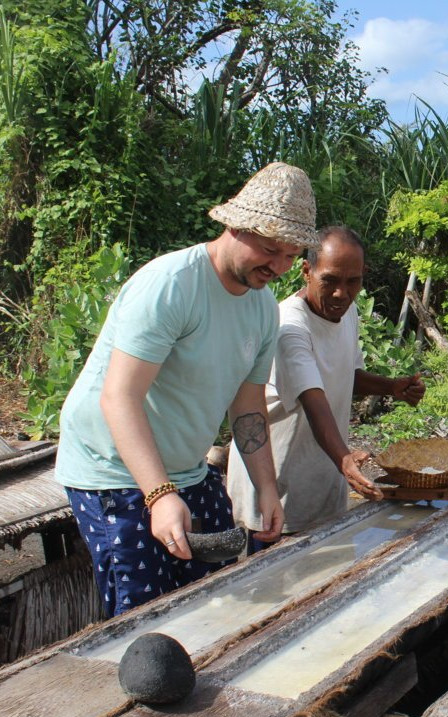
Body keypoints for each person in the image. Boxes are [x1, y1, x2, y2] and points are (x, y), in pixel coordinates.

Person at [54, 162, 318, 616]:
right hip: (113, 469)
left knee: (217, 596)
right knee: (145, 615)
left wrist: (266, 488)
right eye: (270, 249)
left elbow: (248, 406)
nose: (278, 267)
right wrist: (159, 495)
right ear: (236, 227)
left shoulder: (262, 308)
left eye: (291, 256)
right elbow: (119, 397)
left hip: (187, 468)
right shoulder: (172, 286)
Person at [226, 225, 425, 542]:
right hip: (276, 491)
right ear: (307, 271)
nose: (340, 293)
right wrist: (345, 460)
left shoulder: (348, 312)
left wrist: (391, 387)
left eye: (352, 282)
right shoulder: (290, 327)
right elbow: (312, 397)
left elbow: (345, 374)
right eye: (330, 280)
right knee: (280, 573)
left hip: (323, 482)